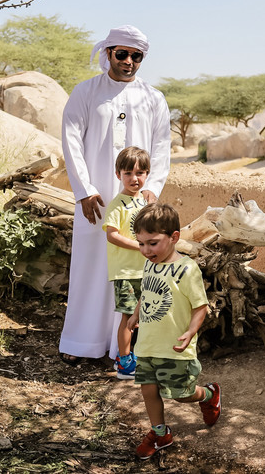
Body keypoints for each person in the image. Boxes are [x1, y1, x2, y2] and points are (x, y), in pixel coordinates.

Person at [59, 25, 171, 365]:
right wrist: (84, 189)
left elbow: (162, 147)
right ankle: (81, 343)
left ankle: (123, 349)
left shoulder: (154, 98)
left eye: (136, 56)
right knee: (90, 266)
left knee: (131, 270)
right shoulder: (86, 92)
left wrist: (152, 187)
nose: (129, 61)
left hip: (136, 201)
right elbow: (71, 140)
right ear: (108, 53)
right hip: (96, 200)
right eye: (121, 54)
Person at [127, 203, 221, 460]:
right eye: (141, 243)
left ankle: (209, 394)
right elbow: (146, 293)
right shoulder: (150, 265)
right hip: (147, 344)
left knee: (181, 395)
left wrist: (191, 332)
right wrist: (136, 313)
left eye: (153, 243)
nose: (146, 250)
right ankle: (160, 433)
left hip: (174, 347)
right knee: (148, 389)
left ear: (174, 238)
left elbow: (200, 306)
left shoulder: (187, 269)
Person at [102, 146, 151, 379]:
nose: (134, 178)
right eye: (128, 173)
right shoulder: (117, 204)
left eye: (140, 173)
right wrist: (140, 246)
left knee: (145, 316)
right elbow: (111, 234)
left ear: (147, 174)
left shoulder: (145, 203)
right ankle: (123, 363)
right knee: (128, 317)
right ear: (118, 175)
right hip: (126, 272)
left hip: (146, 271)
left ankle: (137, 357)